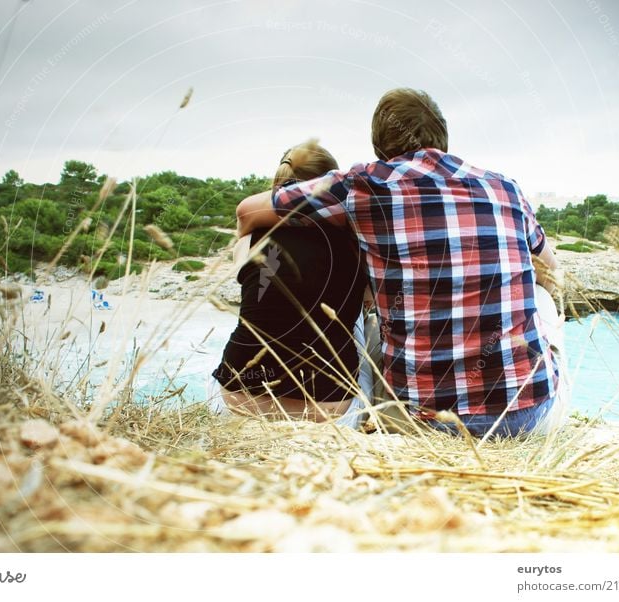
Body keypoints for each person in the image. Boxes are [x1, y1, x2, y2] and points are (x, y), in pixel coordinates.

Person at [237, 89, 565, 438]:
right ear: (444, 138)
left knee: (364, 316)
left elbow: (248, 211)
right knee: (541, 288)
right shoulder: (506, 189)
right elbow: (551, 267)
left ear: (379, 147)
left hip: (423, 423)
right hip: (528, 418)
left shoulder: (362, 184)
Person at [211, 139, 370, 426]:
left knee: (258, 308)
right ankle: (371, 426)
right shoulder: (357, 244)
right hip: (328, 400)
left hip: (239, 390)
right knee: (358, 324)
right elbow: (369, 301)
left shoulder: (248, 240)